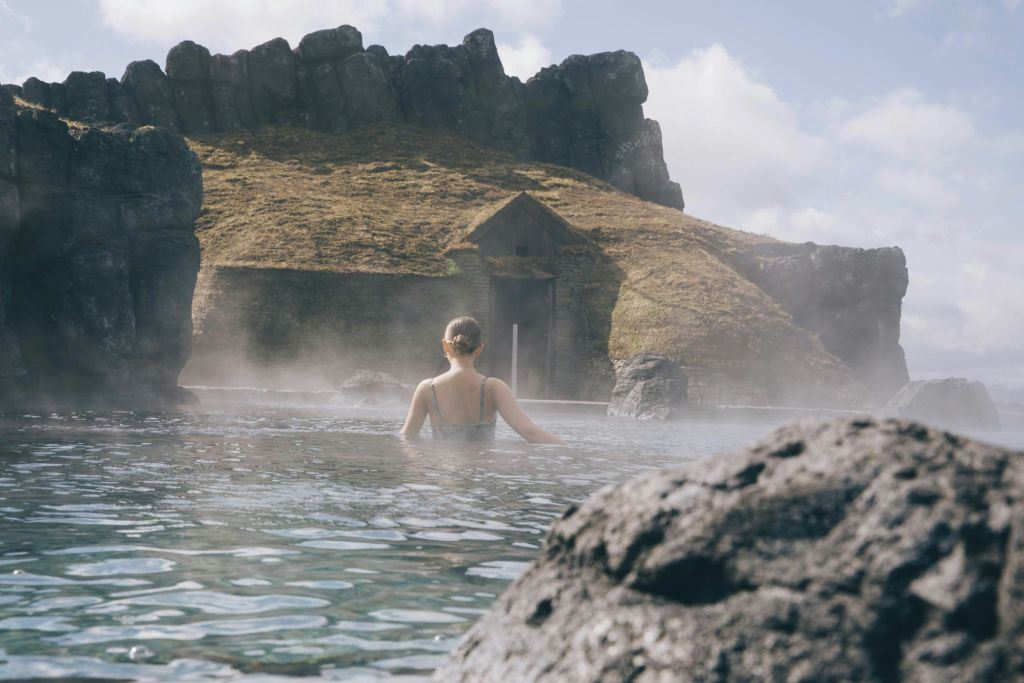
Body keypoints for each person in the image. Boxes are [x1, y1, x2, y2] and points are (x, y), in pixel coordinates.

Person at [400, 316, 564, 444]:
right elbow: (530, 433)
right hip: (482, 474)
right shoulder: (494, 388)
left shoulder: (427, 389)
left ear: (445, 345)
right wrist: (569, 448)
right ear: (479, 349)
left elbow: (407, 438)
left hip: (443, 476)